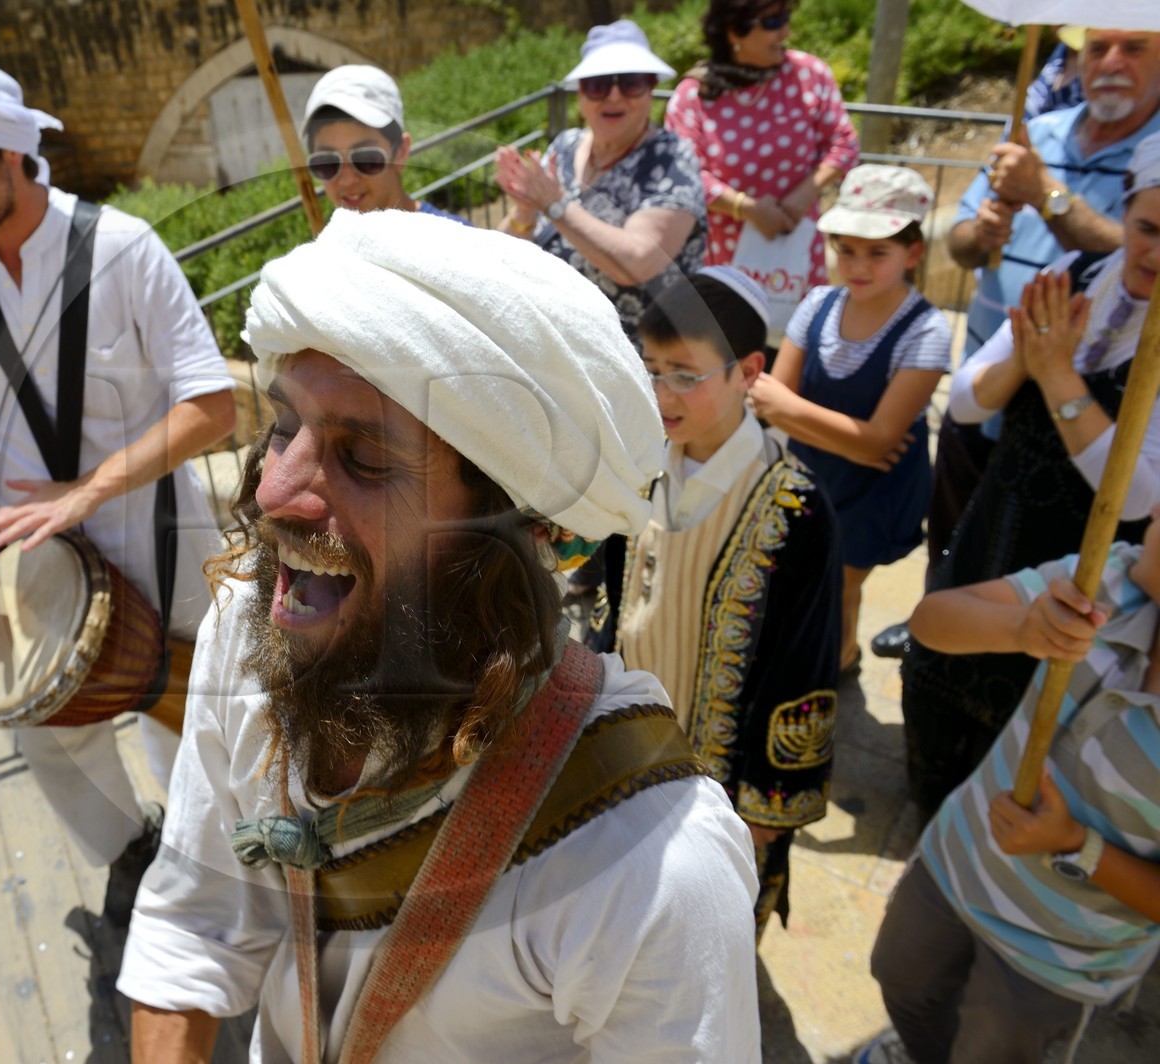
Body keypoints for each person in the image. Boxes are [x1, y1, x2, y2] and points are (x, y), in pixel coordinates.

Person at [118, 210, 761, 1062]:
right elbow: (195, 921)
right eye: (283, 428)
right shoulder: (252, 636)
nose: (276, 491)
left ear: (506, 533)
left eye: (366, 459)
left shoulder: (646, 860)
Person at [0, 58, 237, 905]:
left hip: (159, 530)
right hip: (27, 550)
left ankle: (227, 865)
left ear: (12, 152)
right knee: (43, 733)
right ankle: (132, 854)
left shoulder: (123, 249)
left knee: (199, 717)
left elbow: (213, 406)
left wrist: (84, 492)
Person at [900, 134, 1160, 821]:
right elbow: (964, 401)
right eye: (1147, 228)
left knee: (1026, 732)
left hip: (1081, 578)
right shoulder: (1076, 272)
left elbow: (1139, 496)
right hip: (996, 530)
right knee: (944, 668)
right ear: (1126, 213)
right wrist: (1028, 358)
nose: (1155, 253)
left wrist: (1055, 373)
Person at [865, 522, 1160, 1064]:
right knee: (902, 979)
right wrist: (1024, 627)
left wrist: (1076, 845)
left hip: (1062, 953)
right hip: (958, 857)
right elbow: (931, 621)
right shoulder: (1113, 578)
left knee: (994, 1050)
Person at [616, 265, 841, 937]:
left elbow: (803, 662)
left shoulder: (795, 507)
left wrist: (763, 814)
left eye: (686, 374)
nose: (662, 393)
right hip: (634, 744)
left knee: (710, 925)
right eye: (650, 369)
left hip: (726, 782)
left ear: (749, 371)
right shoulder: (640, 463)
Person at [910, 27, 1160, 630]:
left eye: (1134, 48)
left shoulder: (1153, 152)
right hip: (999, 378)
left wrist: (1045, 194)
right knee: (959, 541)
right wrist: (985, 230)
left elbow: (1128, 259)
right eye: (1097, 48)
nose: (1111, 63)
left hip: (1077, 447)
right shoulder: (1036, 133)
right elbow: (964, 245)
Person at [746, 165, 951, 673]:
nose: (857, 266)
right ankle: (823, 656)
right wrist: (856, 437)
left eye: (878, 252)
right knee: (801, 573)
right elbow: (767, 399)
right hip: (814, 476)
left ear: (913, 253)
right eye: (846, 250)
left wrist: (791, 411)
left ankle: (832, 667)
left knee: (841, 585)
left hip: (871, 495)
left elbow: (783, 401)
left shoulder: (926, 331)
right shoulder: (817, 302)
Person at [493, 18, 706, 346]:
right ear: (581, 93)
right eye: (598, 84)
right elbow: (503, 255)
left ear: (651, 88)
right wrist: (524, 212)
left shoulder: (672, 158)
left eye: (631, 82)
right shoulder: (564, 146)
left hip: (644, 362)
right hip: (558, 352)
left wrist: (556, 206)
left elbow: (638, 261)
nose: (614, 96)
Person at [663, 0, 859, 294]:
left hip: (796, 252)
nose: (785, 31)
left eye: (785, 18)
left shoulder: (808, 74)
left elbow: (844, 141)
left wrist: (805, 193)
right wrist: (746, 209)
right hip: (723, 262)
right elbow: (684, 174)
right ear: (734, 32)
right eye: (772, 22)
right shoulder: (695, 95)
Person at [301, 64, 470, 223]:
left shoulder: (460, 245)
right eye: (327, 163)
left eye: (366, 159)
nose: (347, 180)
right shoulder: (324, 253)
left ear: (401, 152)